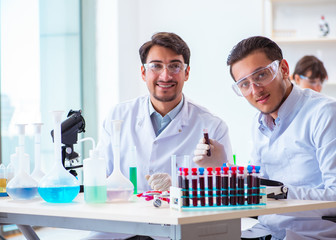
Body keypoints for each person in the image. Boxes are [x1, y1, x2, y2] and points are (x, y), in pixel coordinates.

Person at [88, 31, 233, 240]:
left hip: (176, 233)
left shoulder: (212, 126)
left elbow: (224, 197)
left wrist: (179, 187)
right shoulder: (118, 116)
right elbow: (101, 179)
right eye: (156, 66)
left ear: (187, 72)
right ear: (143, 72)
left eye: (175, 66)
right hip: (120, 230)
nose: (165, 76)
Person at [223, 36, 336, 239]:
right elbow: (258, 185)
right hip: (266, 232)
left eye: (261, 75)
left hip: (314, 236)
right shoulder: (258, 124)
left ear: (284, 69)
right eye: (244, 84)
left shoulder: (326, 114)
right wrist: (220, 170)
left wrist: (275, 193)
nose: (255, 90)